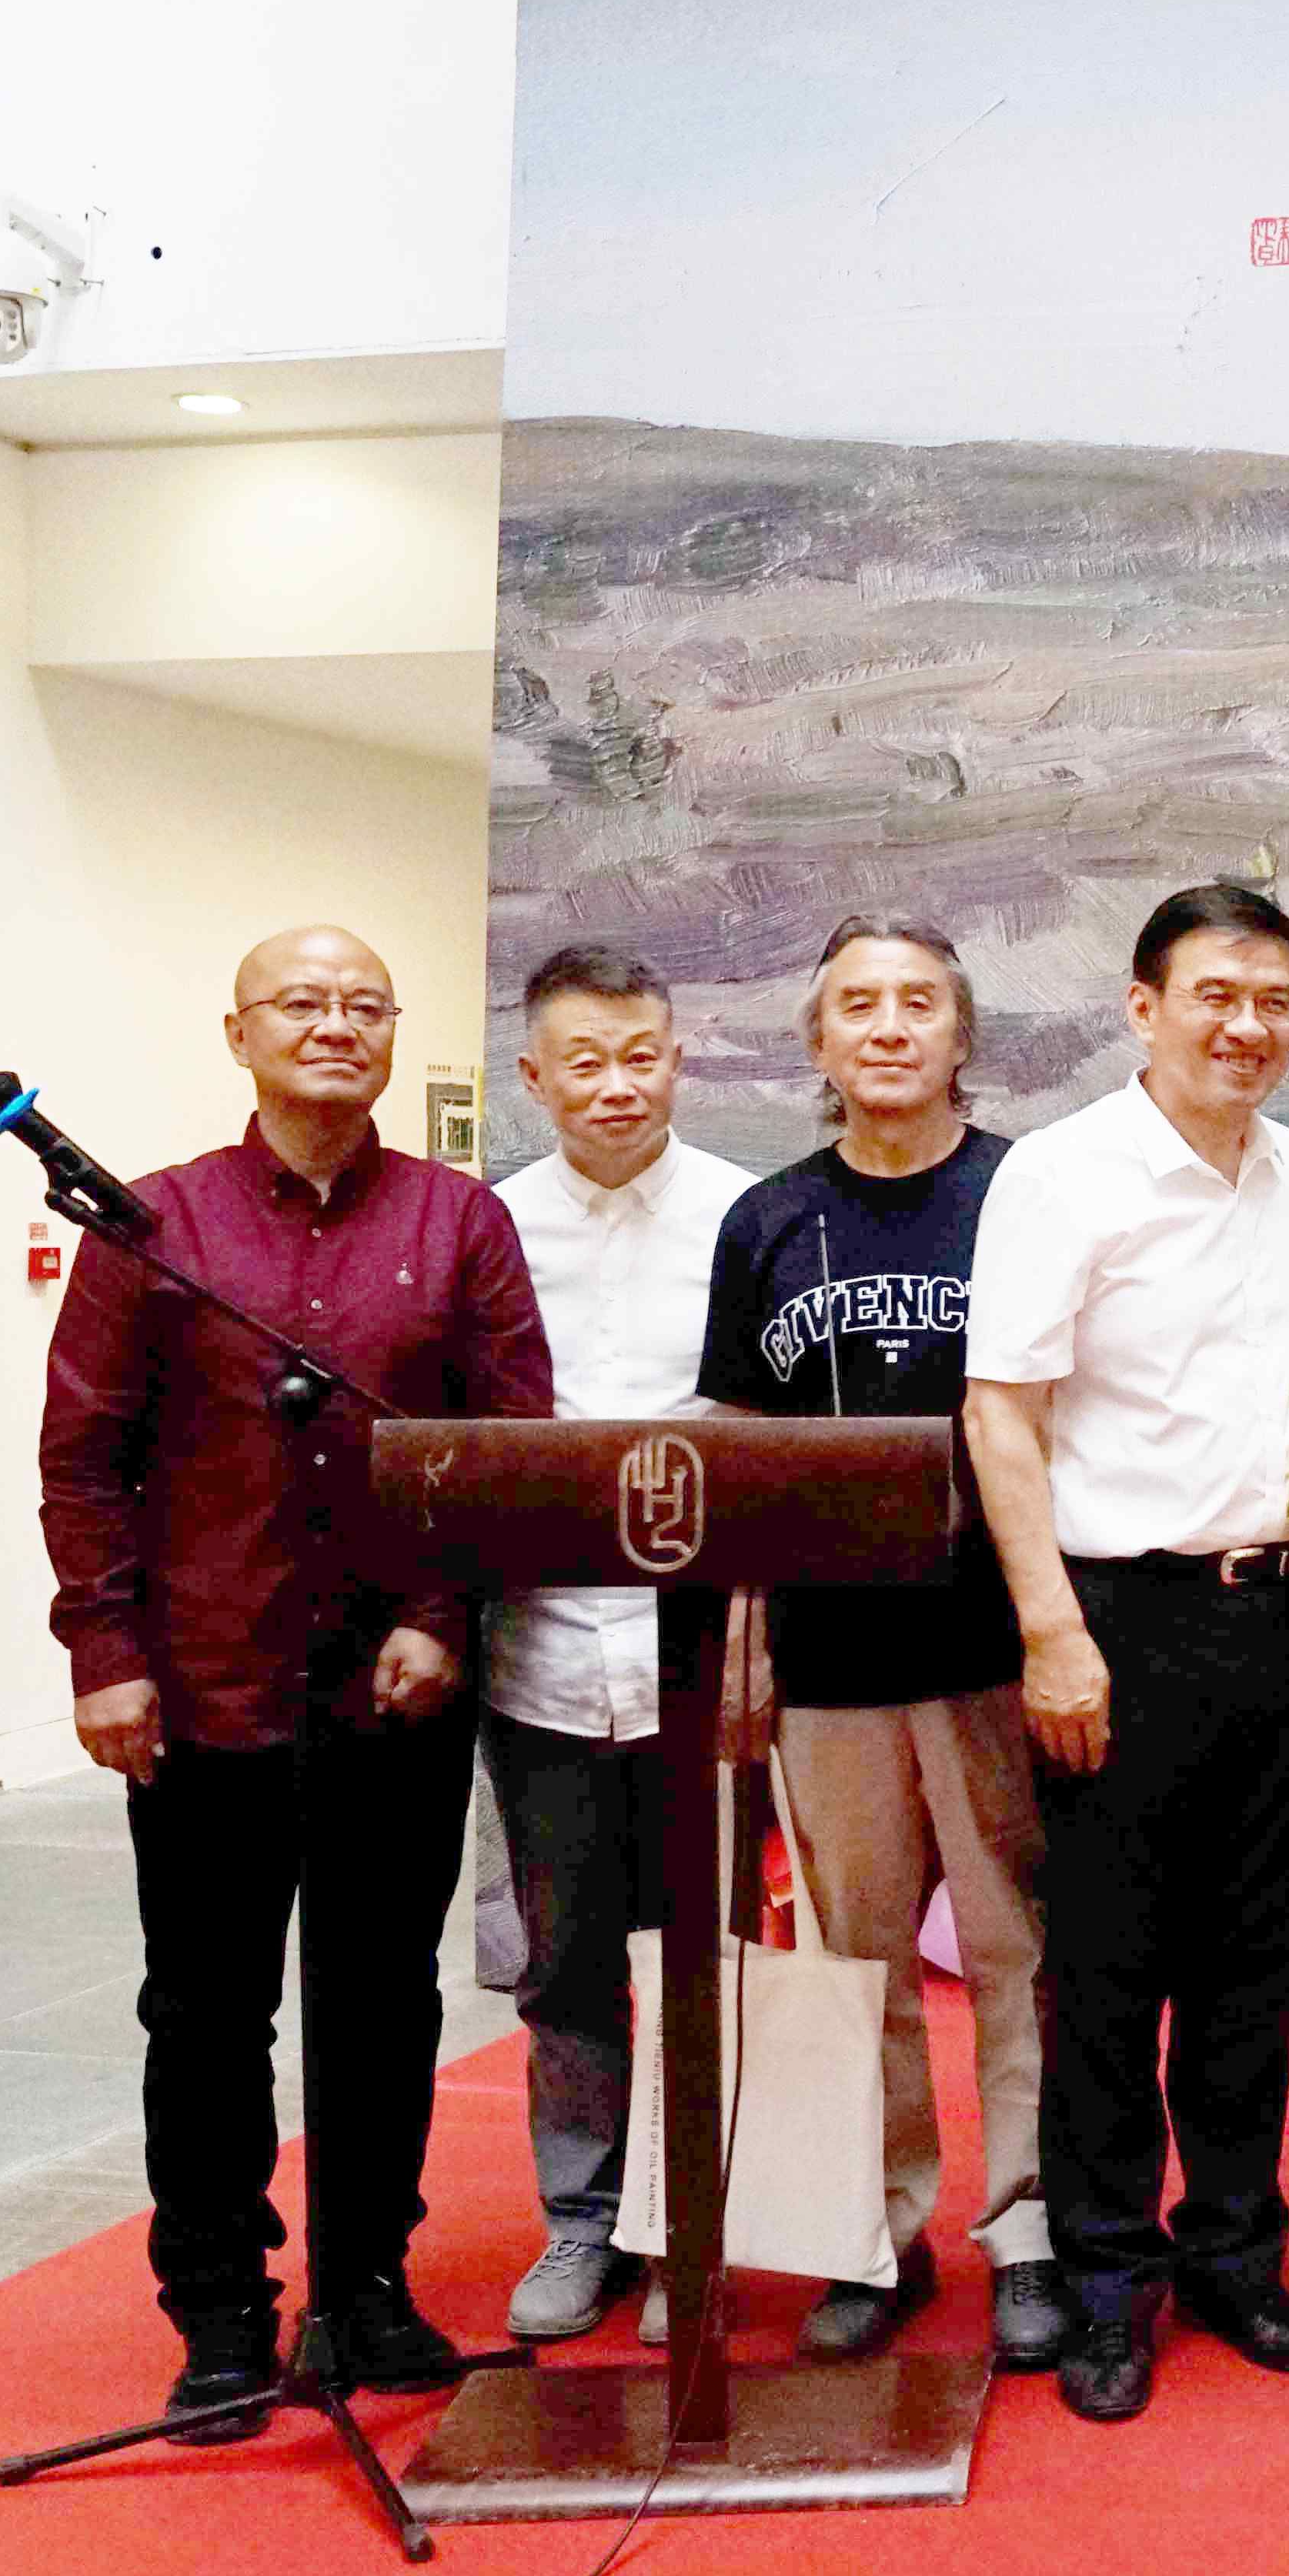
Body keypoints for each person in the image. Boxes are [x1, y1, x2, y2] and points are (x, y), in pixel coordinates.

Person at [38, 926, 552, 2439]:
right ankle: (216, 2310)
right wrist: (105, 1651)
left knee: (385, 2000)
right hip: (203, 1686)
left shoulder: (458, 1220)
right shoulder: (154, 1220)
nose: (335, 1025)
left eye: (363, 1005)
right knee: (205, 2011)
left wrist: (444, 1615)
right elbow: (86, 1453)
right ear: (239, 1031)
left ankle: (368, 2281)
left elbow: (508, 1446)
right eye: (302, 1003)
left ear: (396, 1036)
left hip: (396, 1687)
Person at [965, 884, 1289, 2423]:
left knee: (1256, 1967)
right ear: (1143, 1006)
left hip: (1275, 1614)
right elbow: (1003, 1408)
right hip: (1116, 1618)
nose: (1248, 1026)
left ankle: (1234, 2250)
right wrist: (1051, 1630)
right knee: (1110, 1974)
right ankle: (1108, 2276)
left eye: (1275, 999)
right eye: (1216, 995)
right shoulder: (1063, 1173)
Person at [697, 916, 1058, 2371]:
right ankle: (877, 2234)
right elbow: (735, 1442)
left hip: (995, 1641)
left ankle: (1027, 2227)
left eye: (920, 1004)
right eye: (860, 1006)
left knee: (1024, 1950)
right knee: (854, 1965)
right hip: (832, 1659)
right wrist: (743, 1638)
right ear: (820, 1044)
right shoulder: (769, 1221)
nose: (891, 1028)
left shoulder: (1027, 1194)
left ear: (963, 1035)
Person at [486, 943, 753, 2344]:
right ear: (534, 1076)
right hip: (540, 1663)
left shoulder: (743, 1216)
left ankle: (688, 2223)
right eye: (582, 1060)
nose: (615, 1084)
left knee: (704, 1958)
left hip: (704, 1672)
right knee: (566, 1964)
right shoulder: (488, 1227)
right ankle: (582, 2224)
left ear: (677, 1057)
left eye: (640, 1053)